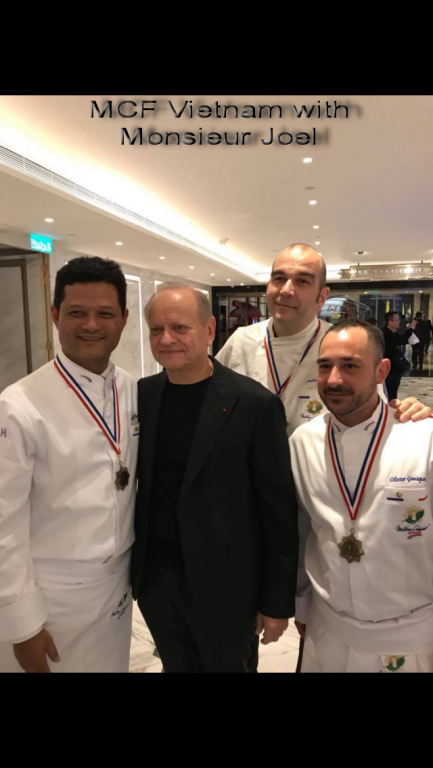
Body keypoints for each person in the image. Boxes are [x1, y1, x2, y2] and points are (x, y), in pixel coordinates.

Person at [217, 244, 432, 670]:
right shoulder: (241, 343)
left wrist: (415, 416)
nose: (287, 290)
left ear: (321, 296)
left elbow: (371, 414)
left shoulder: (340, 341)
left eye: (302, 281)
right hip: (252, 504)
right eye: (279, 278)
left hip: (331, 487)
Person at [131, 282, 298, 673]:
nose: (166, 339)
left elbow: (278, 512)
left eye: (180, 328)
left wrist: (275, 603)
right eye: (156, 329)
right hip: (157, 580)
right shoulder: (143, 395)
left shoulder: (254, 404)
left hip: (228, 587)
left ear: (209, 330)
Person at [0, 257, 138, 672]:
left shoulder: (134, 389)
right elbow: (4, 524)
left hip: (118, 584)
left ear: (124, 318)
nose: (91, 325)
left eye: (105, 314)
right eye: (77, 312)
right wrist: (21, 625)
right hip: (51, 596)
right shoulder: (18, 404)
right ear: (55, 315)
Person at [290, 319, 433, 672]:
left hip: (414, 638)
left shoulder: (423, 437)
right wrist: (301, 607)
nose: (334, 379)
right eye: (325, 366)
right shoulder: (302, 442)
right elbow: (303, 532)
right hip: (330, 630)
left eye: (350, 366)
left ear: (381, 371)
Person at [382, 311, 417, 399]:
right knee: (390, 392)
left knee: (392, 391)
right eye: (397, 320)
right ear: (390, 321)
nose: (399, 322)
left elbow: (403, 339)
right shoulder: (386, 334)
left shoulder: (392, 333)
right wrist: (411, 329)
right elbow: (400, 341)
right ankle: (390, 406)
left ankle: (391, 405)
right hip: (390, 369)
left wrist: (410, 329)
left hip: (394, 368)